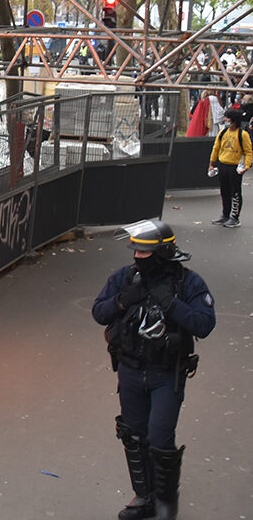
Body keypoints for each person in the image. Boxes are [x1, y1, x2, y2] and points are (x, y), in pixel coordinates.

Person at [92, 220, 215, 520]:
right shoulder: (125, 278)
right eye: (135, 252)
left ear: (162, 253)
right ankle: (143, 497)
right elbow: (99, 312)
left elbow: (204, 324)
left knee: (159, 438)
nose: (138, 258)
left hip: (166, 374)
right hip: (131, 370)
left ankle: (164, 505)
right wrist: (123, 300)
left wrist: (171, 305)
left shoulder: (188, 283)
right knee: (133, 435)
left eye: (145, 253)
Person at [208, 108, 252, 227]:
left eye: (228, 118)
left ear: (234, 120)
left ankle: (235, 218)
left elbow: (248, 151)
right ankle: (225, 215)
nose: (226, 120)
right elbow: (216, 148)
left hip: (235, 167)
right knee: (224, 191)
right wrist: (212, 163)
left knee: (235, 193)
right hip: (223, 165)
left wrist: (246, 166)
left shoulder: (243, 134)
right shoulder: (223, 132)